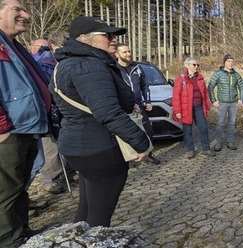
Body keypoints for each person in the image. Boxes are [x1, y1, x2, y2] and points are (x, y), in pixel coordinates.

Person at [50, 16, 150, 228]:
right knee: (99, 219)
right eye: (106, 35)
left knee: (87, 210)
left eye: (114, 35)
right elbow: (108, 112)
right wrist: (141, 142)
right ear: (84, 38)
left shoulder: (66, 62)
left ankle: (78, 239)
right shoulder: (89, 66)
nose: (113, 39)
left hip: (79, 146)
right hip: (99, 149)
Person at [0, 0, 53, 246]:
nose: (26, 14)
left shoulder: (12, 45)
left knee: (19, 187)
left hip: (26, 127)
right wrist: (2, 129)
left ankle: (21, 232)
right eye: (17, 9)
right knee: (6, 191)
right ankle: (9, 240)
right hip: (10, 132)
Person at [27, 38, 65, 195]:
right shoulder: (42, 62)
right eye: (42, 48)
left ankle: (58, 175)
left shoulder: (45, 60)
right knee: (50, 148)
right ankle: (49, 179)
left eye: (46, 47)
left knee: (55, 146)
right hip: (45, 112)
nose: (45, 50)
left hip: (51, 111)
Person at [114, 43, 161, 164]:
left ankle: (148, 154)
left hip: (139, 106)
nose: (128, 54)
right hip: (122, 107)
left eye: (129, 51)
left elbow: (145, 86)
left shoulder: (137, 68)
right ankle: (131, 158)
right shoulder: (114, 69)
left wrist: (148, 101)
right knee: (126, 133)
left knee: (148, 131)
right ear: (117, 54)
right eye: (125, 52)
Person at [172, 57, 214, 158]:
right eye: (194, 65)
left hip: (199, 107)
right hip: (186, 108)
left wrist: (207, 106)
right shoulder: (181, 79)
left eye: (197, 65)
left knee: (203, 128)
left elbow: (204, 94)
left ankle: (206, 149)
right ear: (187, 66)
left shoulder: (200, 78)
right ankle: (190, 150)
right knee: (187, 130)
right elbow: (176, 96)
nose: (196, 67)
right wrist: (177, 110)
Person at [208, 54, 243, 151]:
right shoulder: (218, 74)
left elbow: (242, 86)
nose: (231, 63)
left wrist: (241, 99)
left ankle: (230, 142)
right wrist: (213, 100)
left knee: (231, 123)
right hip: (222, 103)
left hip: (233, 103)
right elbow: (210, 87)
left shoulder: (236, 75)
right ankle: (218, 143)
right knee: (220, 123)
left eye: (232, 61)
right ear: (224, 62)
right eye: (228, 61)